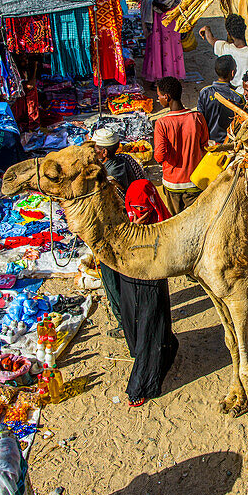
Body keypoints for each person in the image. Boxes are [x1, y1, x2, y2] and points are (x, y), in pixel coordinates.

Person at [119, 179, 179, 407]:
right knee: (141, 326)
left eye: (142, 209)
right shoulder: (125, 223)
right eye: (133, 209)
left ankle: (142, 383)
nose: (137, 214)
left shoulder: (159, 225)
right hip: (132, 281)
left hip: (151, 281)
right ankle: (141, 372)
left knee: (152, 327)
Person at [152, 77, 208, 214]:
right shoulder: (197, 117)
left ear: (167, 96)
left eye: (159, 95)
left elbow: (159, 156)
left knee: (176, 219)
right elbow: (205, 146)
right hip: (194, 181)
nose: (158, 99)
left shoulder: (162, 123)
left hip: (173, 183)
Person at [141, 0, 187, 82]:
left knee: (171, 47)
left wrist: (174, 9)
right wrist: (153, 3)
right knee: (157, 47)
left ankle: (172, 77)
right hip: (156, 17)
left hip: (171, 17)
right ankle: (158, 78)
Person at [198, 15, 248, 92]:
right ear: (245, 29)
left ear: (228, 34)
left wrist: (206, 29)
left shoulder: (225, 49)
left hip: (230, 95)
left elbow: (212, 40)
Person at [198, 55, 244, 143]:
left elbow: (200, 120)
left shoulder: (205, 92)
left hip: (208, 143)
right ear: (232, 73)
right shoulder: (237, 97)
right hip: (229, 144)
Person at [92, 128, 146, 194]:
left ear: (104, 152)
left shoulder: (111, 174)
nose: (92, 151)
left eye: (94, 149)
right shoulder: (124, 158)